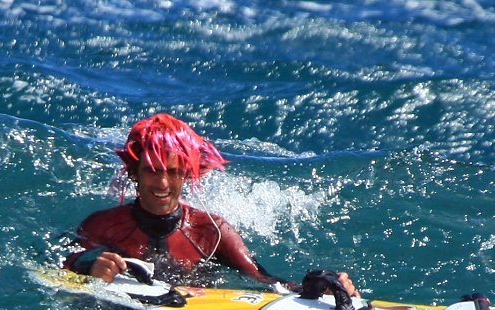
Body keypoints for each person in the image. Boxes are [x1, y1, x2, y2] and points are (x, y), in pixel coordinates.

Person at [64, 113, 357, 296]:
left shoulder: (211, 231)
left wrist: (319, 288)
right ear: (134, 173)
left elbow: (264, 280)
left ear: (188, 174)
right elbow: (57, 266)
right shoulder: (101, 227)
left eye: (174, 172)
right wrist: (88, 266)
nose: (163, 184)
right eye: (152, 171)